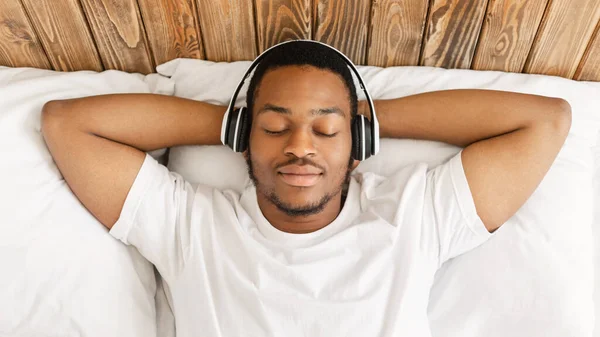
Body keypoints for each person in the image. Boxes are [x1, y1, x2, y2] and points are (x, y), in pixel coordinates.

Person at [40, 41, 571, 337]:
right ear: (247, 140)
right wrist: (231, 125)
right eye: (274, 128)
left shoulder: (413, 215)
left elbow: (545, 122)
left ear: (358, 143)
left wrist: (369, 118)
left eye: (326, 129)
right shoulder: (191, 226)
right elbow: (67, 124)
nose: (300, 147)